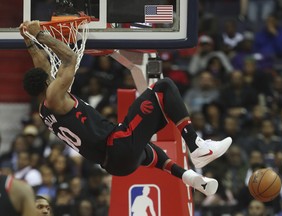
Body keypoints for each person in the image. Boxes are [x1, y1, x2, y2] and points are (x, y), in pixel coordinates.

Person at [20, 20, 232, 196]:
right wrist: (41, 36)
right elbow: (70, 59)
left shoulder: (43, 109)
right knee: (163, 87)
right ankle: (196, 147)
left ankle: (193, 180)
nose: (52, 75)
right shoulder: (55, 96)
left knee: (148, 151)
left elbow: (42, 67)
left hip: (114, 164)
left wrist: (28, 40)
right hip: (117, 144)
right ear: (47, 84)